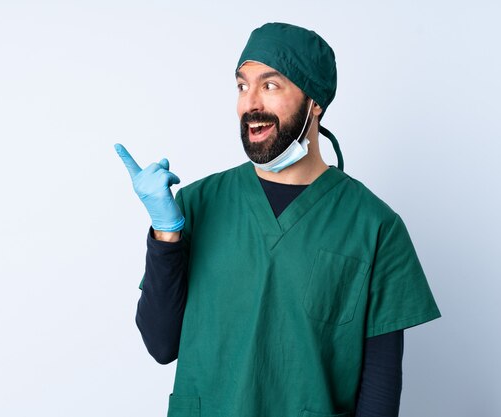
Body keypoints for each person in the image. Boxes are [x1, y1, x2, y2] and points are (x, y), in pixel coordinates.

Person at [115, 22, 440, 417]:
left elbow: (380, 391)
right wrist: (165, 235)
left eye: (270, 85)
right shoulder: (197, 204)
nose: (250, 103)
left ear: (314, 101)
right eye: (241, 86)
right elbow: (161, 344)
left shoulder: (374, 226)